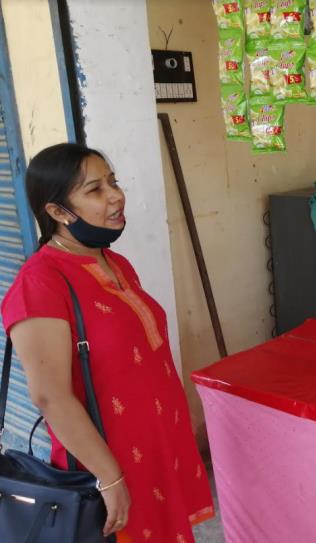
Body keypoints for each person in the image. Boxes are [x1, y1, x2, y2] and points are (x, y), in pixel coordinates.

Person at [1, 143, 214, 541]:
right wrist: (110, 479)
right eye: (95, 190)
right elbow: (51, 397)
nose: (116, 196)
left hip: (154, 448)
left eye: (113, 182)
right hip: (108, 463)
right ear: (58, 212)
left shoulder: (113, 262)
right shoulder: (40, 284)